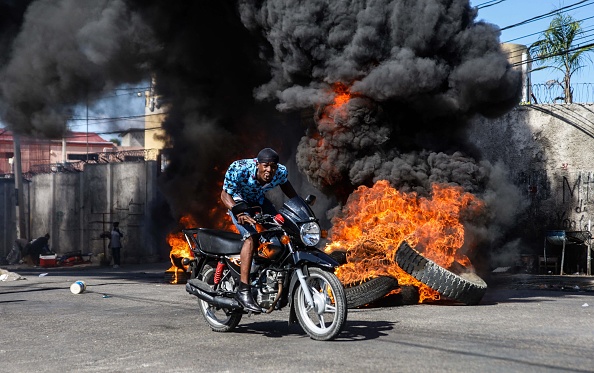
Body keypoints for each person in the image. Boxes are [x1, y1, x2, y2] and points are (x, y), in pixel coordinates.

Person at [221, 148, 297, 312]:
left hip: (259, 201)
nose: (269, 170)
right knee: (251, 236)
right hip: (237, 201)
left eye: (273, 167)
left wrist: (300, 205)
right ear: (258, 164)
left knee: (284, 229)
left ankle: (268, 271)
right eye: (265, 165)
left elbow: (287, 188)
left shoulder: (280, 172)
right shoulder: (239, 169)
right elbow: (224, 196)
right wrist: (238, 211)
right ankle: (244, 289)